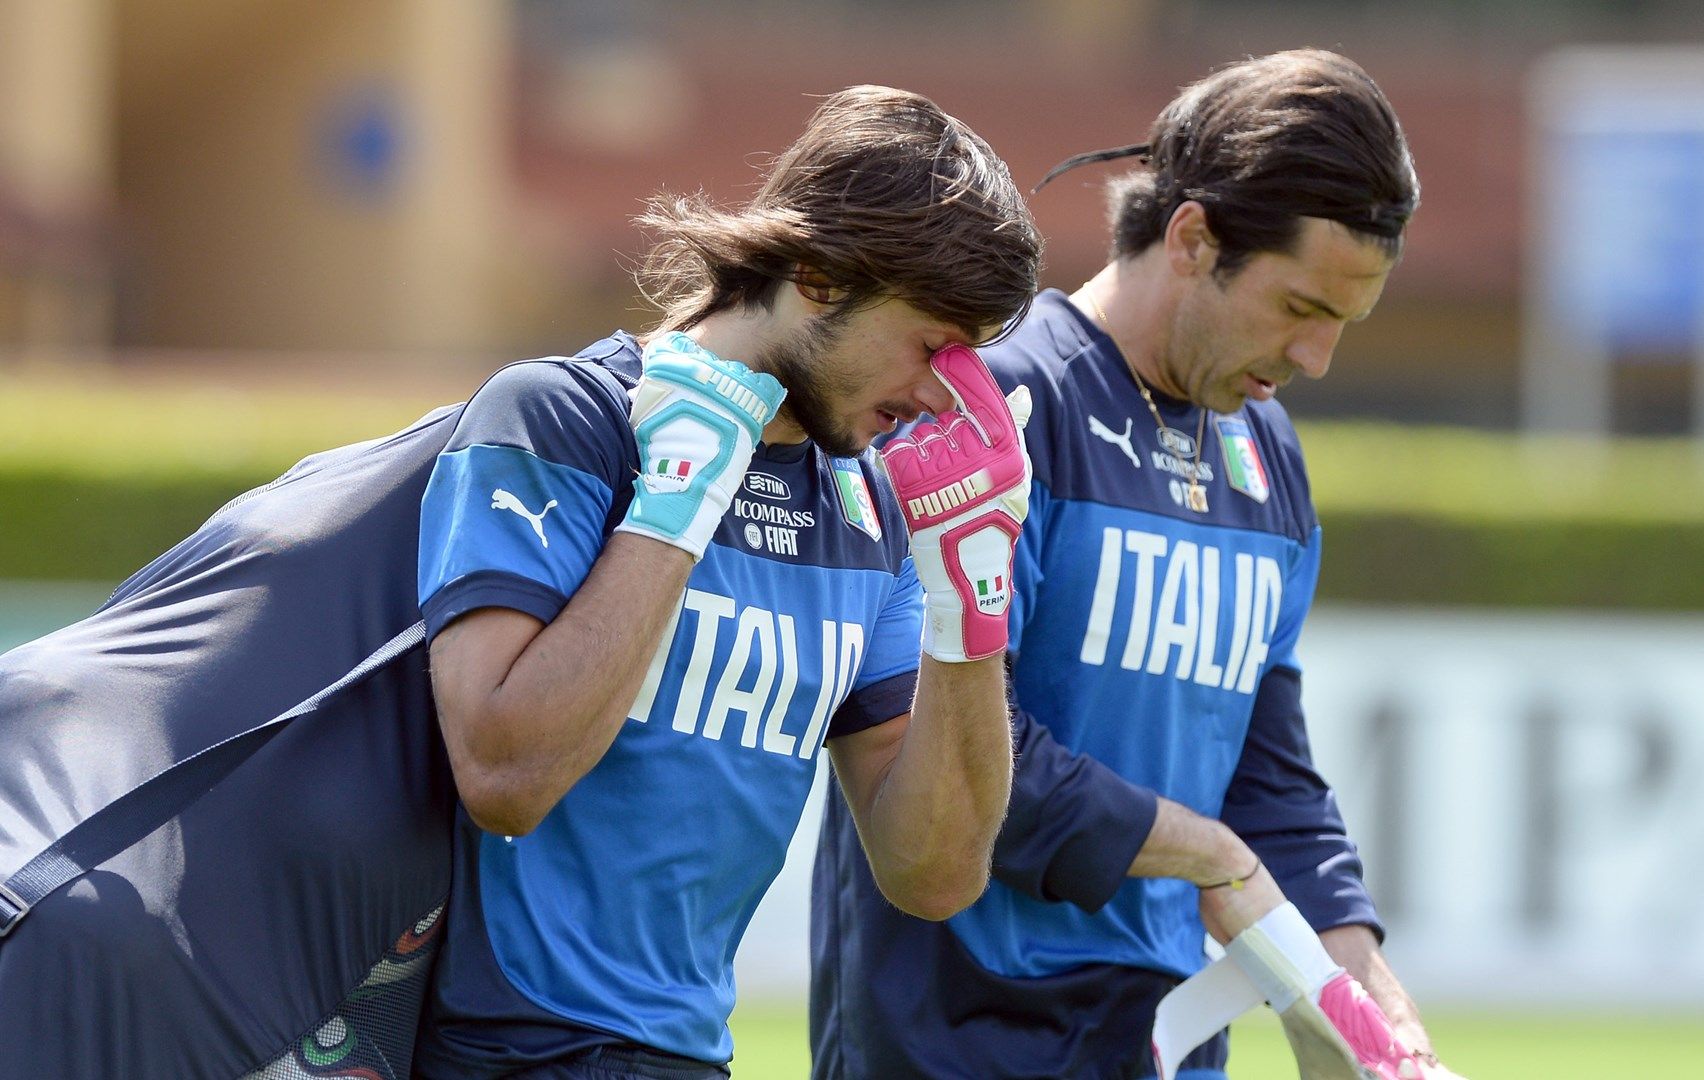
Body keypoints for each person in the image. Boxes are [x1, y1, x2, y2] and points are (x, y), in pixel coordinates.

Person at [0, 85, 1041, 1080]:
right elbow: (508, 776)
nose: (944, 396)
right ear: (818, 278)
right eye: (933, 344)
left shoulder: (864, 511)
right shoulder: (564, 419)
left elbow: (935, 873)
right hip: (502, 1044)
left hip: (683, 1048)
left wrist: (970, 605)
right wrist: (674, 511)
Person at [812, 51, 1462, 1079]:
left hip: (1170, 1045)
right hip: (959, 1043)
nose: (1316, 360)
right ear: (1195, 239)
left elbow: (1266, 775)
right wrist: (1205, 853)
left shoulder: (1267, 455)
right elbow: (936, 751)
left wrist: (1376, 1011)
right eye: (1300, 308)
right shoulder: (993, 410)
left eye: (1345, 323)